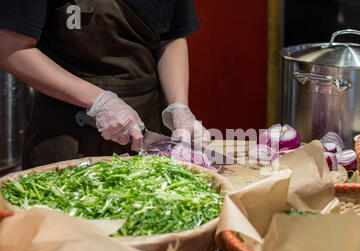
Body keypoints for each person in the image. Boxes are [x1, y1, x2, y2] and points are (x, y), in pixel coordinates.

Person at [0, 0, 209, 169]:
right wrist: (99, 101)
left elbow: (171, 37)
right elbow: (12, 49)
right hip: (67, 136)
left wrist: (179, 106)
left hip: (147, 126)